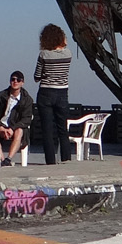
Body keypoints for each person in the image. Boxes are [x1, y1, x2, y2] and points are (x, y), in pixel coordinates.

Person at [34, 24, 72, 165]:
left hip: (46, 92)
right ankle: (66, 160)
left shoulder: (43, 54)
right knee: (63, 129)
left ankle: (50, 161)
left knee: (47, 130)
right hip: (62, 93)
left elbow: (37, 76)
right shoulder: (68, 54)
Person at [0, 71, 34, 163]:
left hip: (15, 127)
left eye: (18, 80)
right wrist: (0, 127)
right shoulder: (1, 96)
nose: (15, 81)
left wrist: (12, 128)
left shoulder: (27, 99)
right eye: (13, 79)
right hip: (0, 125)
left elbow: (27, 119)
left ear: (22, 83)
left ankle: (9, 159)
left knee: (19, 131)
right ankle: (2, 159)